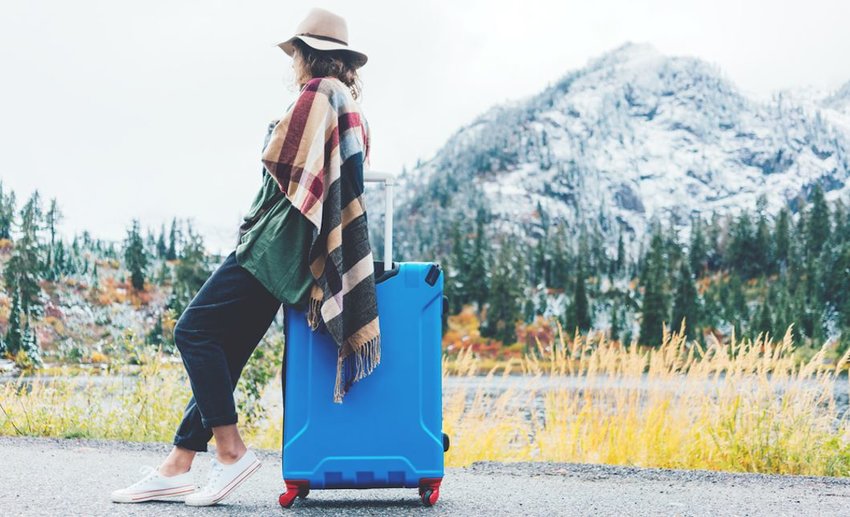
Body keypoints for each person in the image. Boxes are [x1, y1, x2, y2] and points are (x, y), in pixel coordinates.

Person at [110, 7, 371, 506]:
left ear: (307, 54)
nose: (294, 61)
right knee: (224, 352)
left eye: (297, 52)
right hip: (293, 257)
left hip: (273, 250)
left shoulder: (318, 95)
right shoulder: (348, 105)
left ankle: (231, 452)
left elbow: (282, 162)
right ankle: (177, 465)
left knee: (193, 330)